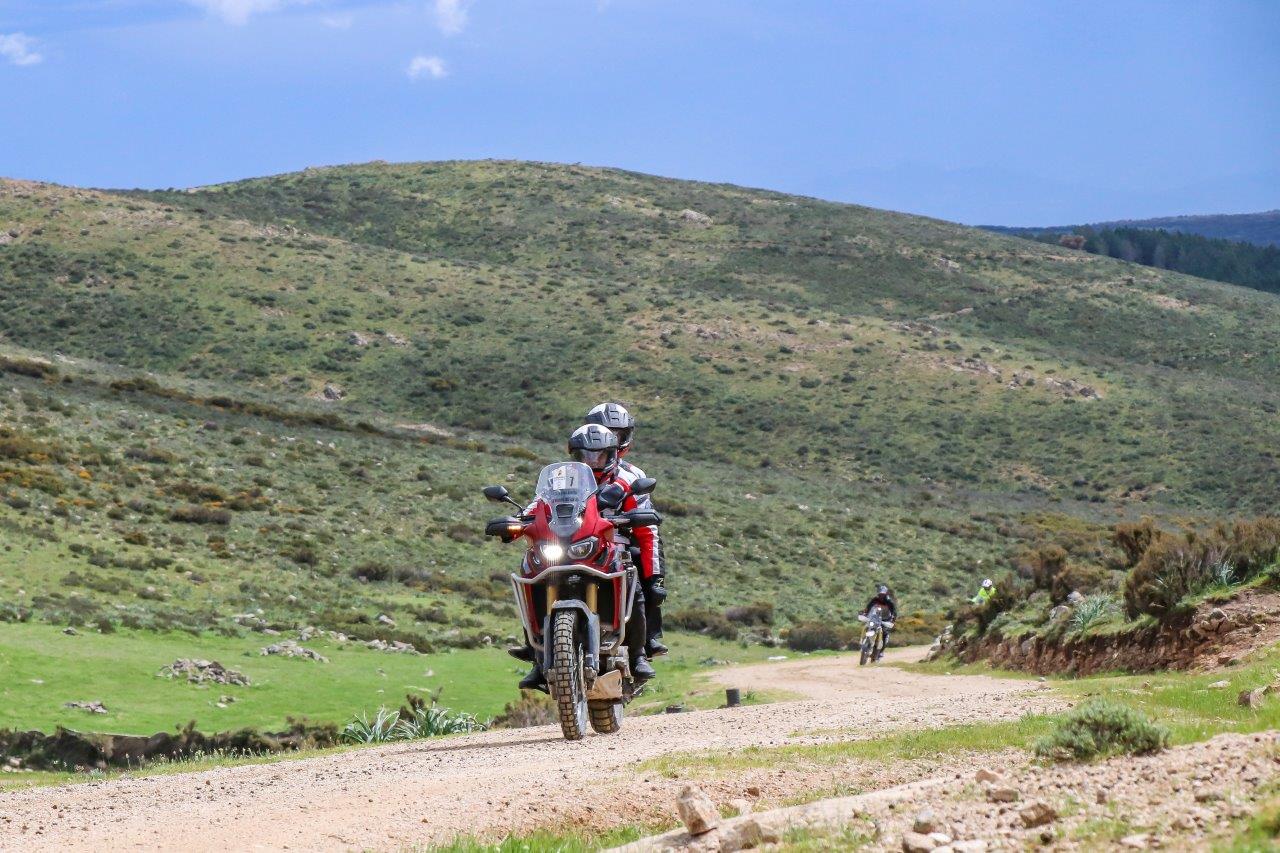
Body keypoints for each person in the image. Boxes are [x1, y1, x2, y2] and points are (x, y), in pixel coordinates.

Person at [512, 424, 656, 690]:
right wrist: (518, 519)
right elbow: (540, 502)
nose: (592, 460)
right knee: (529, 575)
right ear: (576, 456)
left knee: (631, 582)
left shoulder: (622, 481)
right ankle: (536, 658)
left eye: (599, 455)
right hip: (565, 546)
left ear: (611, 454)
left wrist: (635, 517)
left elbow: (641, 513)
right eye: (586, 455)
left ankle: (637, 656)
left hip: (607, 546)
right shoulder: (562, 480)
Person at [584, 402, 668, 658]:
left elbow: (648, 529)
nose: (611, 438)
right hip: (577, 540)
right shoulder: (573, 471)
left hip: (619, 540)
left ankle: (646, 642)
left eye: (618, 434)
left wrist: (656, 577)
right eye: (607, 431)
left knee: (642, 569)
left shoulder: (632, 475)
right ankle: (538, 649)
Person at [863, 584, 897, 650]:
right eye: (880, 594)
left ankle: (880, 652)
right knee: (868, 627)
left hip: (885, 620)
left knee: (884, 634)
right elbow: (868, 607)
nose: (881, 595)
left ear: (885, 594)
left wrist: (893, 618)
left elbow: (893, 611)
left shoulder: (889, 602)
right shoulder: (875, 600)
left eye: (883, 594)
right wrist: (865, 613)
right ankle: (866, 642)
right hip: (875, 619)